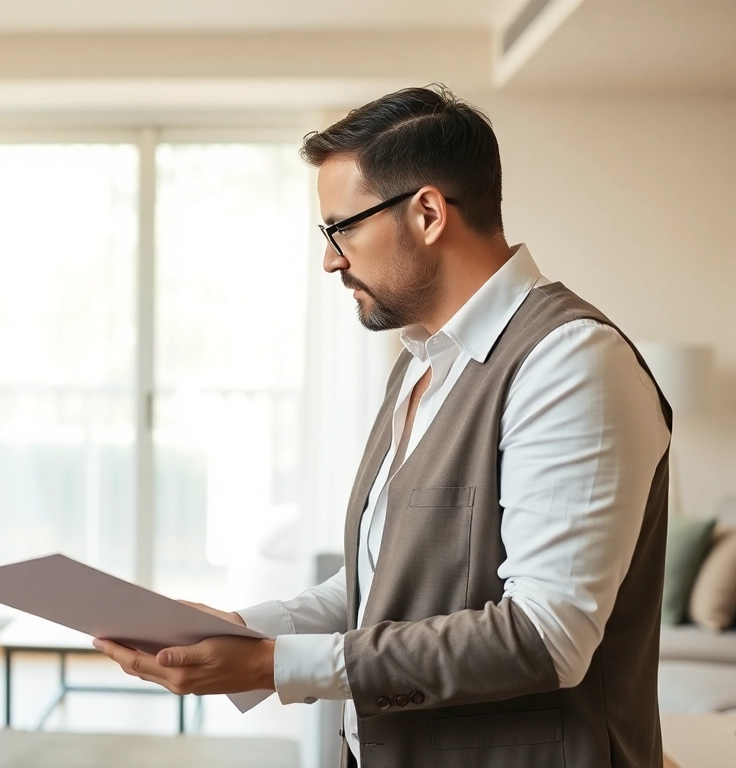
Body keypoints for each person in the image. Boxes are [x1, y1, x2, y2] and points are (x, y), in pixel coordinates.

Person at [93, 85, 672, 768]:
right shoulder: (422, 364)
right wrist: (247, 631)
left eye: (343, 229)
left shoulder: (571, 363)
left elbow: (545, 638)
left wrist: (271, 667)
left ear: (427, 213)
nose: (332, 260)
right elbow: (383, 583)